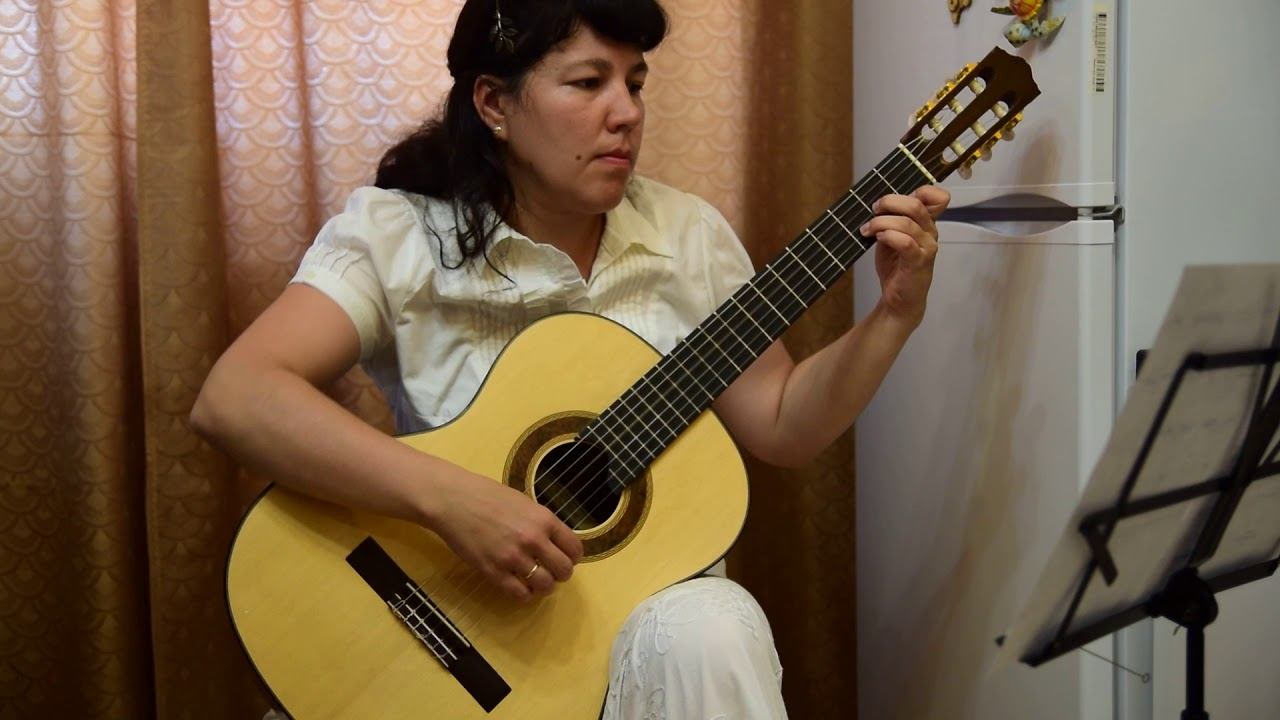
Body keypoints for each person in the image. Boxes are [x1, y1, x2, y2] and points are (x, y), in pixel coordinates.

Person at [190, 0, 950, 717]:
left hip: (639, 638)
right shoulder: (400, 236)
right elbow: (237, 396)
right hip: (444, 620)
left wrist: (894, 316)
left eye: (635, 84)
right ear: (494, 103)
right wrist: (454, 502)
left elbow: (782, 422)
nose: (627, 113)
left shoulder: (685, 235)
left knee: (717, 624)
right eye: (589, 82)